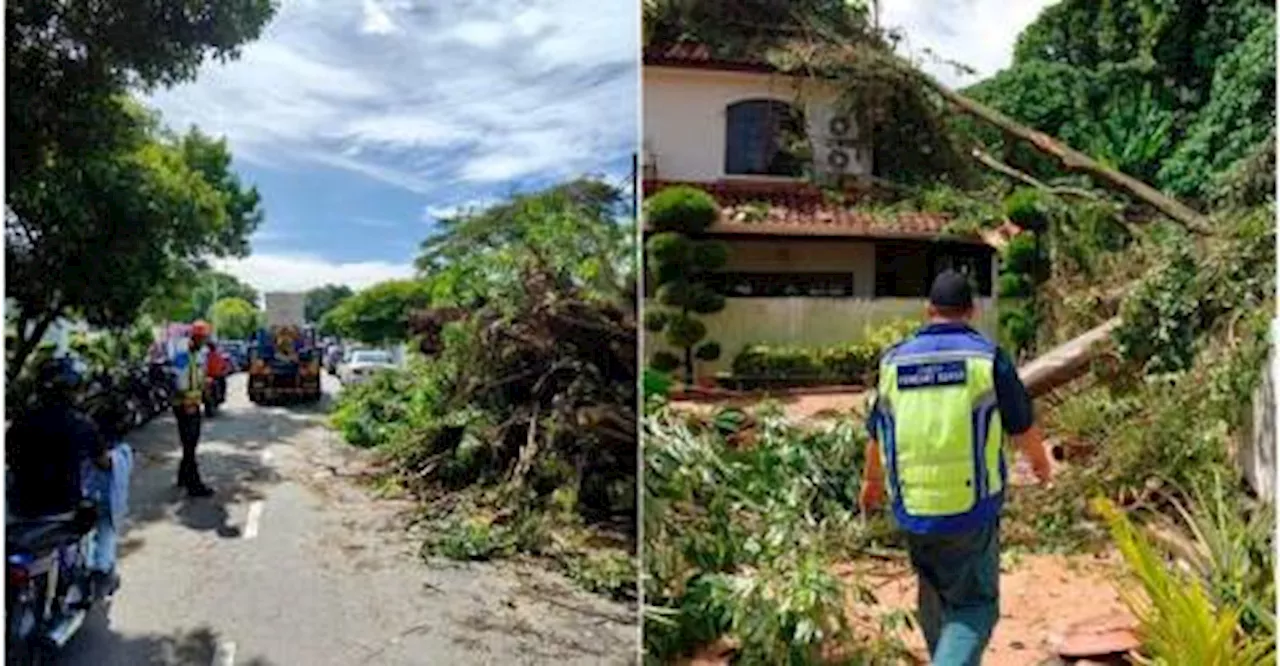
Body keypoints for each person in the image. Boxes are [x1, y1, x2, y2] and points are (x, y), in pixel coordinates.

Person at [859, 270, 1053, 666]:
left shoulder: (893, 363)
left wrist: (871, 484)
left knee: (933, 593)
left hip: (912, 507)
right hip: (970, 508)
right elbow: (1023, 426)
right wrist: (1041, 465)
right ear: (971, 311)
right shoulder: (986, 358)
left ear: (928, 310)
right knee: (974, 606)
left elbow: (878, 431)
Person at [172, 321, 214, 497]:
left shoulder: (199, 355)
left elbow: (200, 378)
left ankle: (183, 476)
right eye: (203, 337)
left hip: (194, 403)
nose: (205, 341)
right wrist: (186, 402)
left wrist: (207, 397)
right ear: (195, 337)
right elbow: (179, 382)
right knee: (190, 445)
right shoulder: (183, 355)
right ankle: (194, 485)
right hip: (184, 405)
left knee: (190, 444)